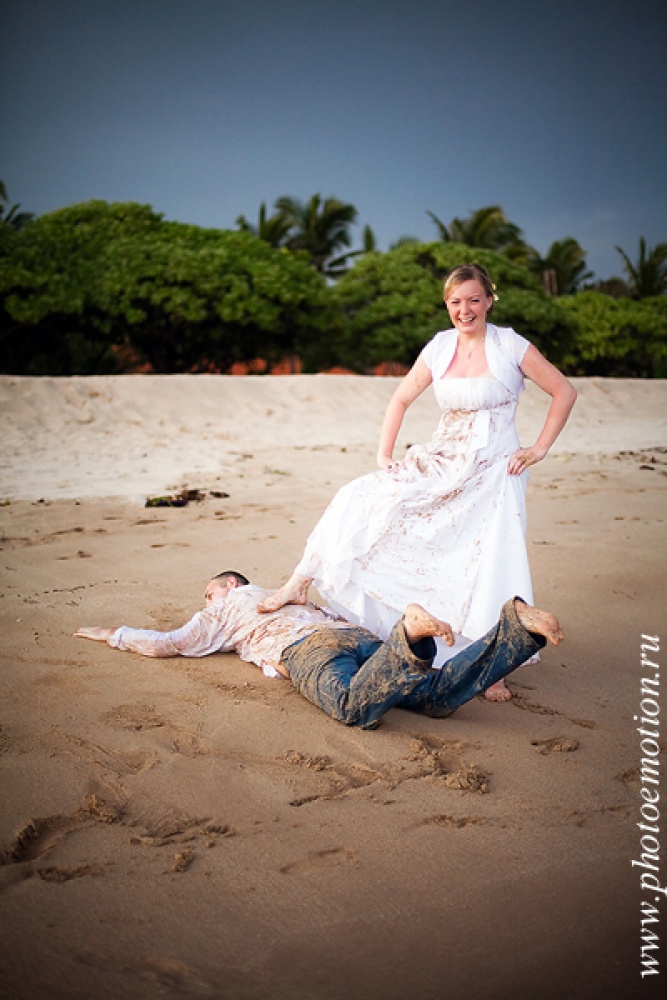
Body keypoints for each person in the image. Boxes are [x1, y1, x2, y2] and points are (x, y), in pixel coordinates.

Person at [258, 263, 577, 702]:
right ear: (447, 305)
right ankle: (300, 581)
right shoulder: (440, 347)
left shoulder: (509, 345)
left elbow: (564, 391)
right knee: (358, 496)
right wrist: (384, 455)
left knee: (488, 559)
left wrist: (539, 448)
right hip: (443, 457)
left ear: (489, 300)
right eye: (455, 302)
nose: (464, 310)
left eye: (473, 300)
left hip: (494, 469)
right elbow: (401, 398)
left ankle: (494, 662)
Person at [74, 571, 564, 730]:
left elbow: (170, 644)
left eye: (209, 591)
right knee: (436, 697)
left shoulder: (226, 607)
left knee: (352, 708)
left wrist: (113, 633)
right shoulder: (287, 595)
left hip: (307, 649)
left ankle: (411, 635)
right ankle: (515, 629)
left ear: (230, 585)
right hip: (357, 639)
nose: (206, 599)